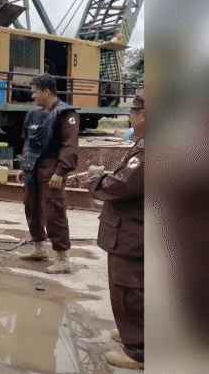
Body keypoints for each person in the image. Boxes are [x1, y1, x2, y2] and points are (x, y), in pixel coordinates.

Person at [87, 87, 145, 369]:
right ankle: (134, 332)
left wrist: (95, 181)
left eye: (133, 112)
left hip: (133, 233)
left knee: (128, 289)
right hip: (140, 230)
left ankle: (139, 350)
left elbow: (122, 185)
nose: (131, 118)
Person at [18, 73, 79, 274]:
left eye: (35, 92)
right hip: (32, 168)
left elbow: (69, 146)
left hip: (51, 167)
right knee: (31, 208)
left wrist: (60, 172)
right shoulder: (33, 115)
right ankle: (39, 248)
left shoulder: (66, 114)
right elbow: (28, 142)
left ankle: (62, 258)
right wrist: (24, 166)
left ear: (46, 91)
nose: (33, 96)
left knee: (54, 212)